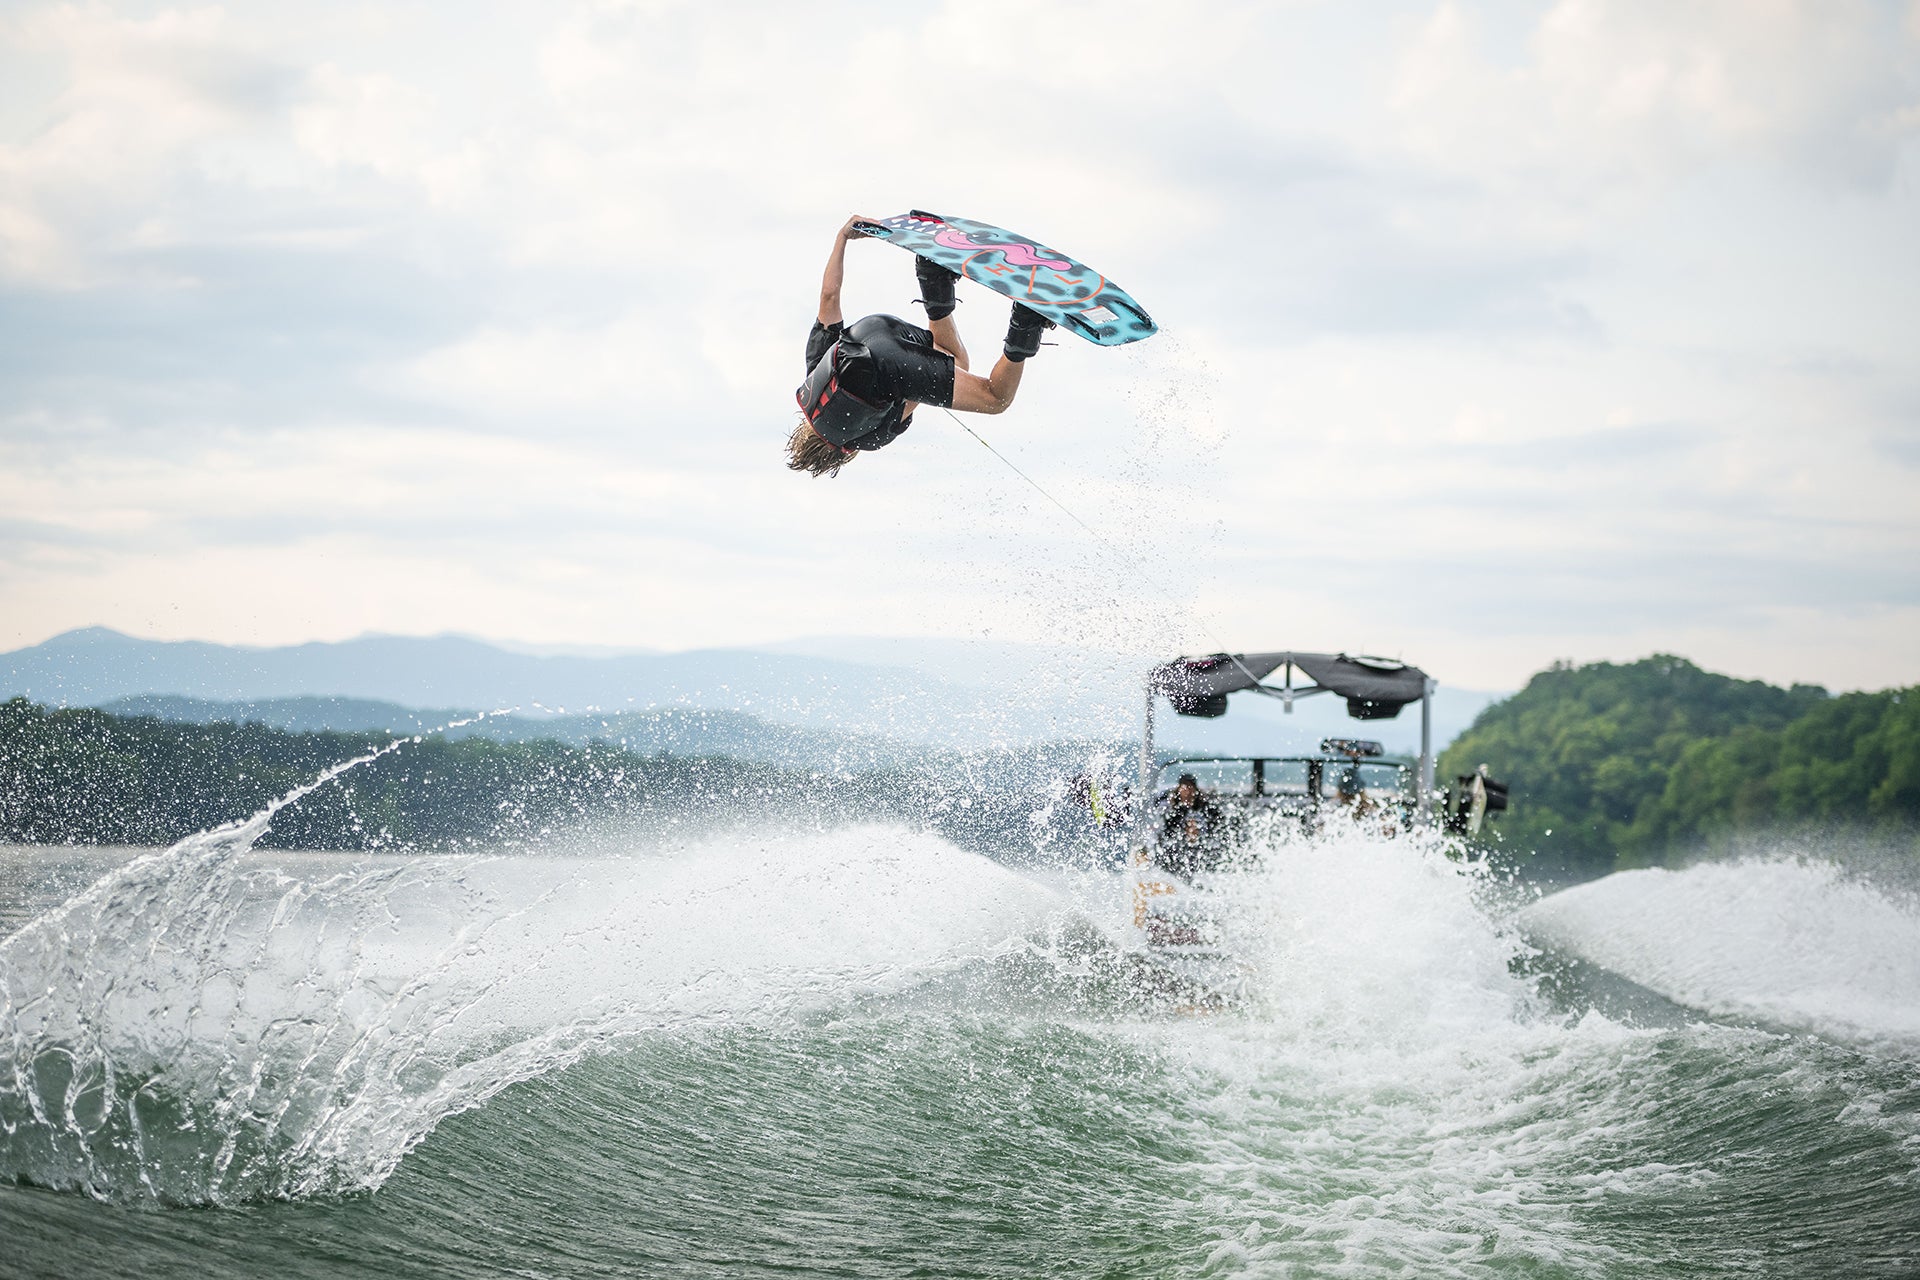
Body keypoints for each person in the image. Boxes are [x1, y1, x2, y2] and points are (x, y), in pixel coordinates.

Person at [787, 215, 1054, 478]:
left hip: (889, 362)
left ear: (841, 456)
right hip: (875, 327)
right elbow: (829, 297)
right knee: (954, 360)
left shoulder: (863, 439)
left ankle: (1026, 323)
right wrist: (842, 237)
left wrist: (939, 387)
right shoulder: (812, 380)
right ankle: (931, 276)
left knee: (996, 399)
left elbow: (915, 392)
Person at [1156, 773, 1223, 879]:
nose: (1187, 791)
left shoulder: (1206, 809)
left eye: (1190, 787)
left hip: (1199, 850)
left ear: (1195, 790)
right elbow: (1164, 832)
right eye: (1184, 787)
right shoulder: (1172, 811)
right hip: (1177, 852)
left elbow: (1218, 826)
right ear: (1178, 789)